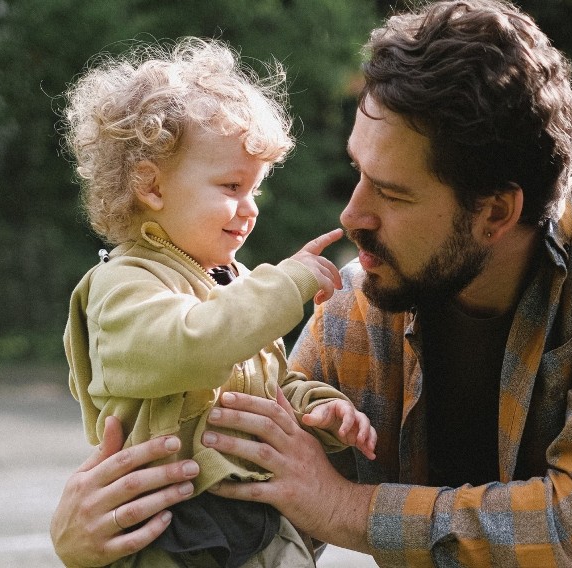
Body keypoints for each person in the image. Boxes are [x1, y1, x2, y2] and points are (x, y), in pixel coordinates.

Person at [51, 2, 572, 567]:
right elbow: (263, 487)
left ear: (496, 211)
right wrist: (95, 535)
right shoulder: (362, 304)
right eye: (357, 172)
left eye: (393, 193)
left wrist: (344, 507)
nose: (352, 216)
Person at [58, 37, 377, 568]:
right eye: (232, 185)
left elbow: (261, 381)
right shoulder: (123, 283)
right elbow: (191, 346)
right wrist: (287, 284)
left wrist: (316, 407)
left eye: (256, 189)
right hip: (172, 530)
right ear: (150, 186)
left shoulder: (231, 282)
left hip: (247, 517)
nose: (249, 208)